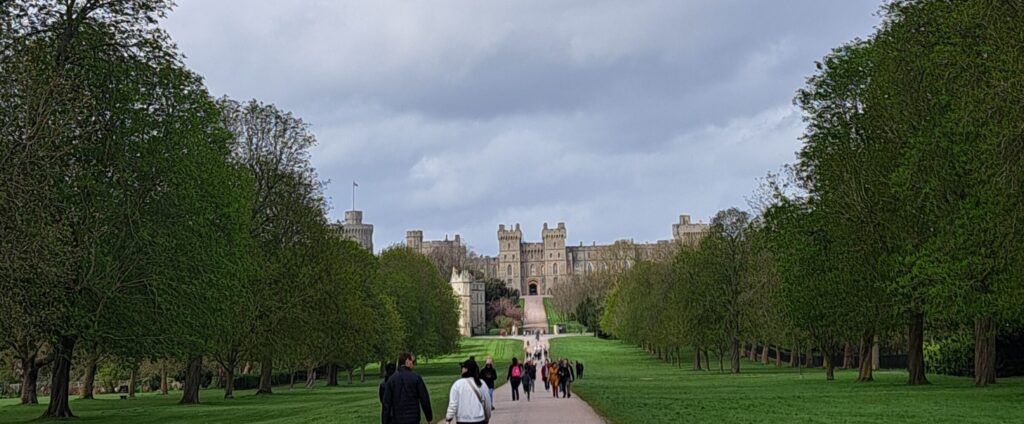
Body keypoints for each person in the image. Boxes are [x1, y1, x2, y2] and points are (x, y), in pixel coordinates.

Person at [382, 352, 433, 424]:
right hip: (413, 418)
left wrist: (385, 421)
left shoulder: (392, 380)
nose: (413, 363)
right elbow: (424, 399)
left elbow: (386, 404)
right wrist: (429, 417)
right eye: (412, 361)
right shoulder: (416, 378)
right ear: (407, 361)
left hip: (397, 418)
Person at [445, 357, 491, 424]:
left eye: (462, 368)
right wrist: (487, 418)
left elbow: (453, 404)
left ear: (466, 369)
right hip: (479, 419)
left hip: (462, 420)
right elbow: (487, 404)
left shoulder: (457, 384)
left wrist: (448, 419)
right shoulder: (481, 384)